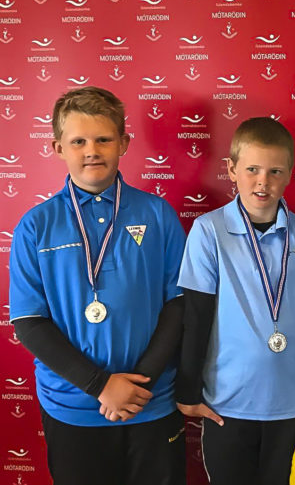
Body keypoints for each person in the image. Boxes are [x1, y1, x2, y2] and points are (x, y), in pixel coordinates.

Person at [9, 86, 187, 485]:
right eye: (78, 142)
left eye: (104, 139)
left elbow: (178, 304)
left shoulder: (157, 214)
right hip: (73, 407)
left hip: (151, 403)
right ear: (58, 148)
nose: (92, 151)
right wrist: (100, 385)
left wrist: (139, 385)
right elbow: (29, 322)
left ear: (123, 143)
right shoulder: (35, 226)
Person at [176, 117, 295, 485]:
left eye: (275, 171)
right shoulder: (208, 231)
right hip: (227, 406)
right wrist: (187, 390)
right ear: (231, 170)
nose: (263, 181)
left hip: (292, 408)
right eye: (252, 170)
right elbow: (196, 316)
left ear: (290, 174)